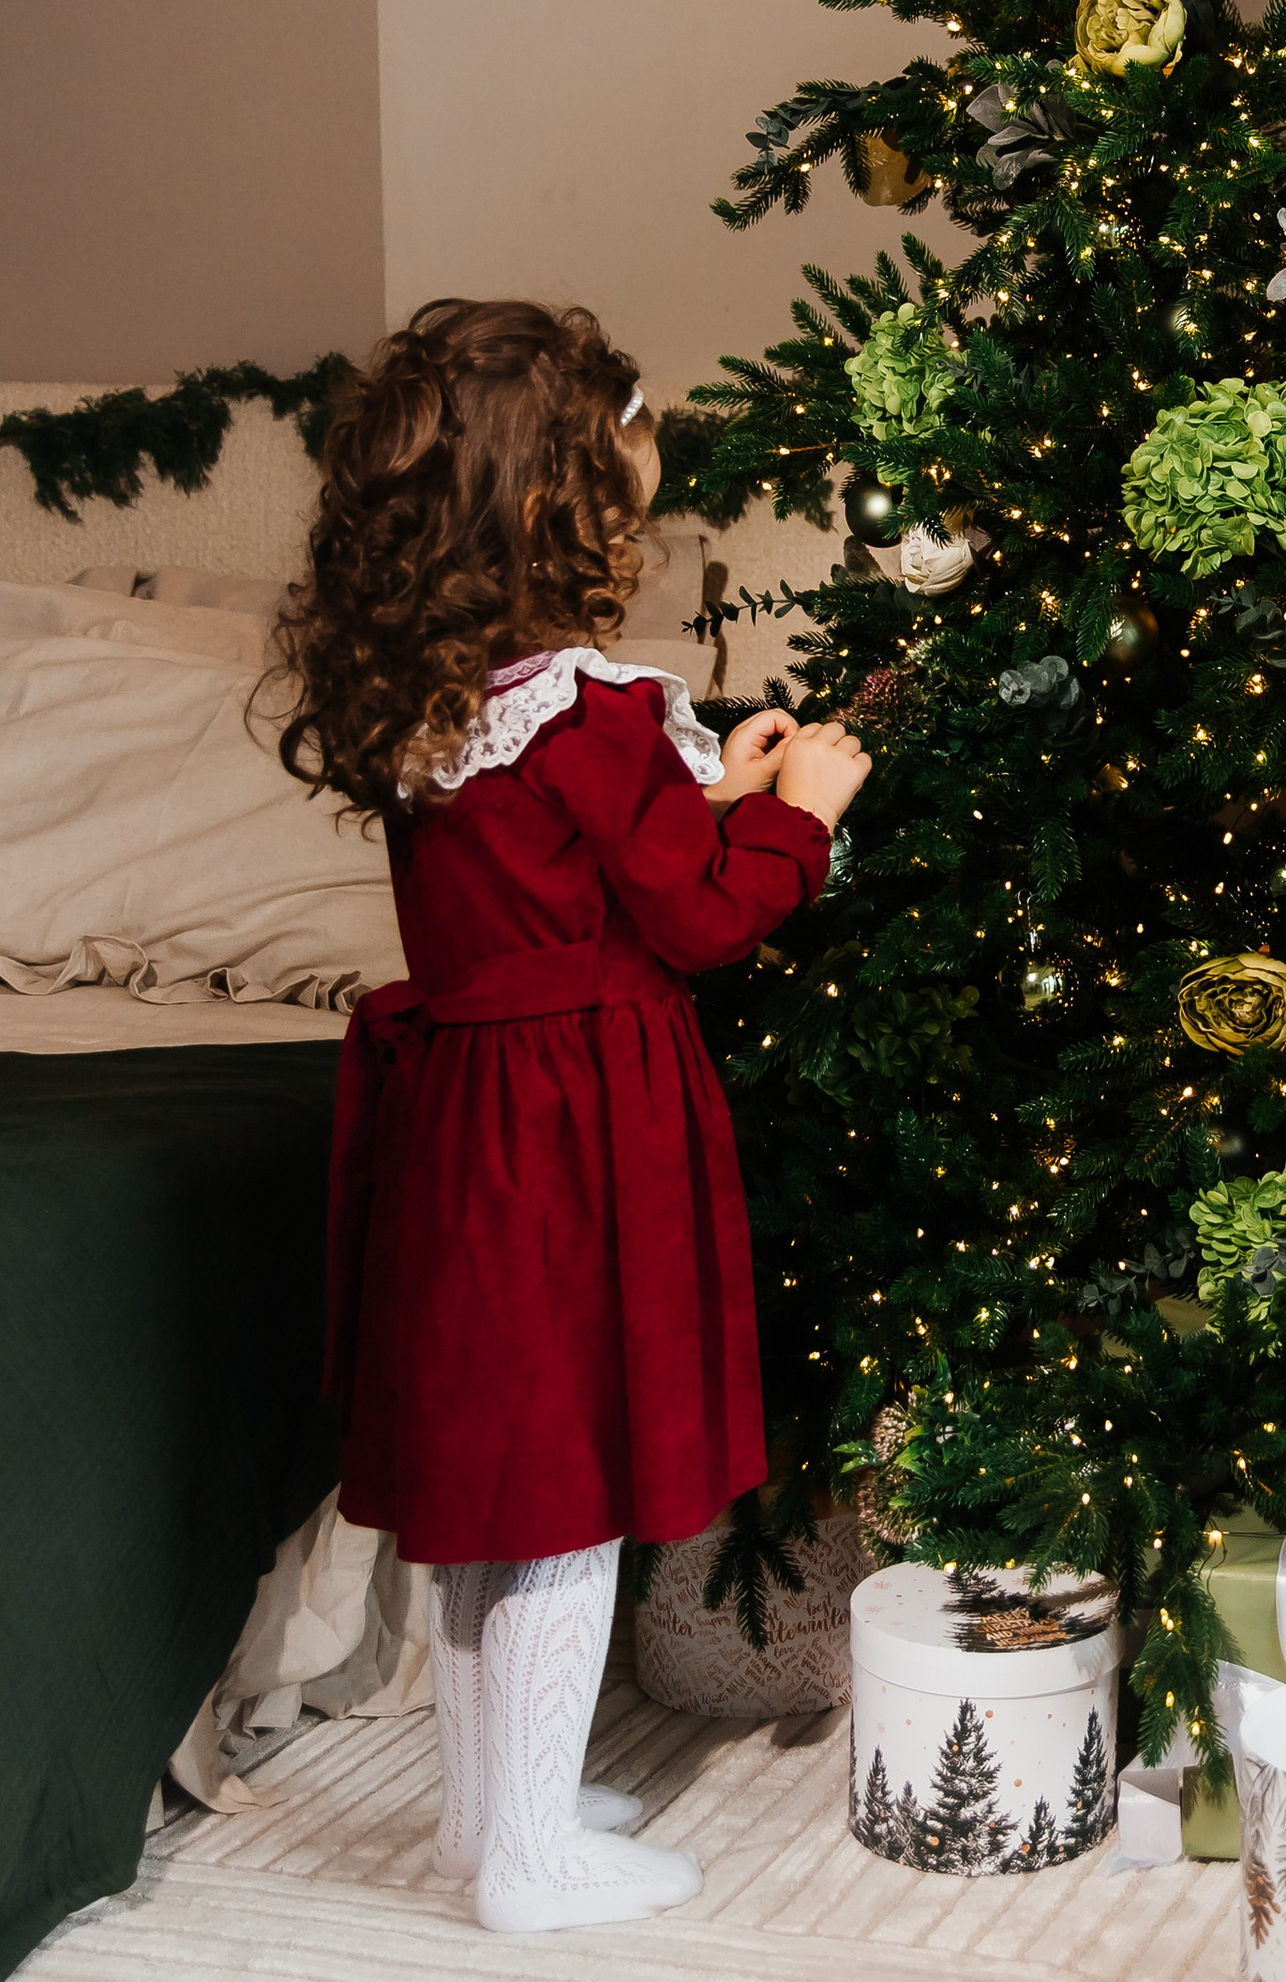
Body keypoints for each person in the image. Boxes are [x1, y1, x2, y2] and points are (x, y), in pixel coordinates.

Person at [272, 299, 871, 1934]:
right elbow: (691, 921)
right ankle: (531, 1865)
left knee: (493, 1486)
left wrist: (715, 786)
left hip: (470, 1121)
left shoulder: (445, 697)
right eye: (628, 445)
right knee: (564, 1499)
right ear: (566, 498)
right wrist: (799, 819)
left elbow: (569, 867)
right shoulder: (594, 708)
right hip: (576, 1128)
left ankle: (488, 1814)